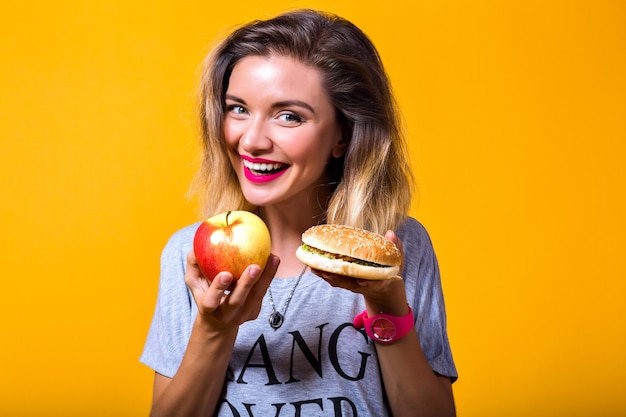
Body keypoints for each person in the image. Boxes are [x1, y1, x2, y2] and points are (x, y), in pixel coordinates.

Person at [141, 8, 457, 417]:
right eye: (238, 108)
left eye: (289, 116)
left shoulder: (392, 250)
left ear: (343, 135)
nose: (251, 140)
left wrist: (386, 306)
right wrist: (214, 328)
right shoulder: (191, 255)